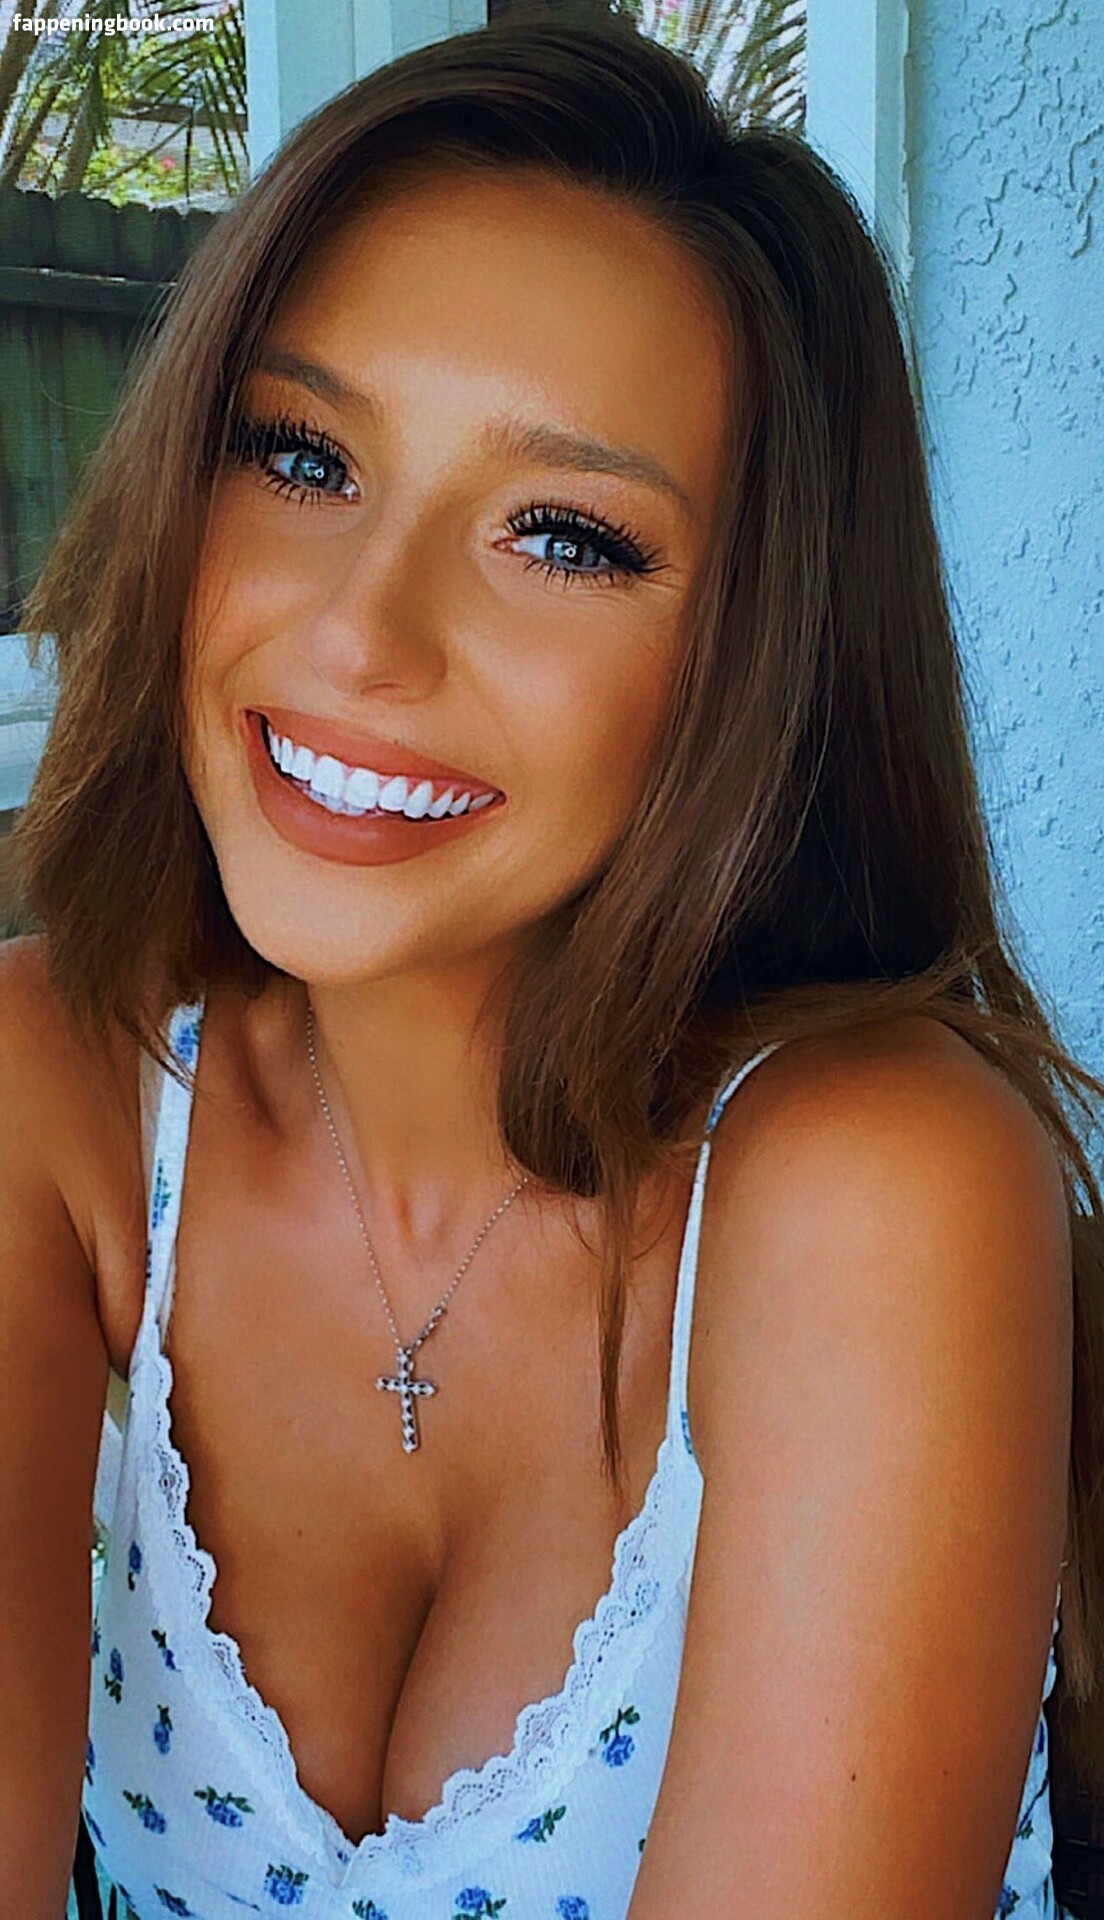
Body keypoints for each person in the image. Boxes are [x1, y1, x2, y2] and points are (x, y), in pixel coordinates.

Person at [2, 17, 1101, 1920]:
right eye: (302, 454)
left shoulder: (875, 1185)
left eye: (567, 539)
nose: (363, 634)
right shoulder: (60, 1094)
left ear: (758, 658)